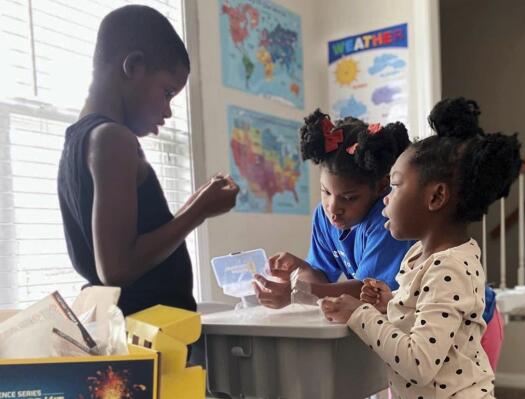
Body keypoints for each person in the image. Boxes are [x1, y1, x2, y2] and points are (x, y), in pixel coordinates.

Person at [321, 97, 522, 398]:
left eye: (396, 186)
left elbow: (419, 362)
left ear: (436, 197)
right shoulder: (419, 254)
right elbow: (424, 320)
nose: (386, 199)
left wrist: (359, 313)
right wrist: (389, 303)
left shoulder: (449, 268)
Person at [58, 5, 239, 316]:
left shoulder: (77, 139)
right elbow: (116, 268)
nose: (168, 111)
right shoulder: (113, 138)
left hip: (129, 330)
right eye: (167, 92)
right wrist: (198, 211)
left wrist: (192, 205)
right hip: (147, 339)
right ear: (134, 66)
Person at [253, 109, 414, 308]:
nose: (334, 208)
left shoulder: (389, 219)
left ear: (381, 187)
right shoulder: (323, 215)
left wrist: (297, 293)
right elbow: (322, 278)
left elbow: (367, 292)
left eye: (349, 198)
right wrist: (299, 269)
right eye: (325, 192)